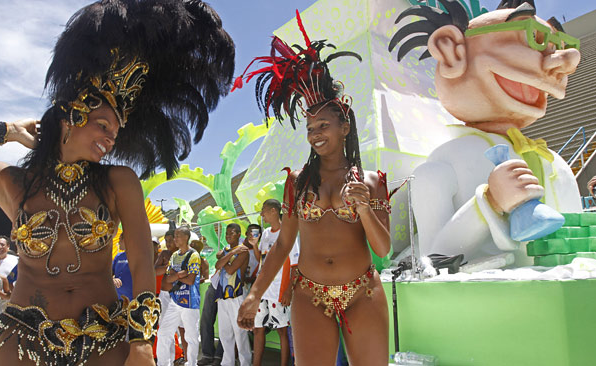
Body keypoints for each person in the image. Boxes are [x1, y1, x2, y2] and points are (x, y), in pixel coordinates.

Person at [0, 1, 235, 365]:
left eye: (116, 131)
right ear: (71, 115)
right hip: (21, 341)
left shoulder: (119, 181)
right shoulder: (14, 182)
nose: (111, 138)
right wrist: (7, 131)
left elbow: (142, 262)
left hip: (104, 340)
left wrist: (142, 341)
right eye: (103, 125)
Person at [233, 12, 391, 365]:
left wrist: (364, 208)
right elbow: (284, 244)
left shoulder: (372, 182)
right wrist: (255, 294)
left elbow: (383, 247)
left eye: (323, 124)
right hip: (309, 295)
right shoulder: (297, 183)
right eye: (309, 127)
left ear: (344, 126)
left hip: (362, 292)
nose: (316, 133)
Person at [388, 0, 582, 266]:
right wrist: (489, 202)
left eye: (555, 46)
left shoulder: (555, 164)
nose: (566, 62)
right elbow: (434, 258)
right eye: (531, 40)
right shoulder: (442, 165)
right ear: (450, 50)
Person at [252, 200, 297, 366]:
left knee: (282, 330)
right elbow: (262, 261)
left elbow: (295, 265)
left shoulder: (288, 233)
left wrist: (288, 290)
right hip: (262, 291)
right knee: (258, 329)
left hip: (279, 291)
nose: (262, 214)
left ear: (273, 211)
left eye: (263, 210)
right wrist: (254, 246)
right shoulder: (264, 234)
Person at [157, 226, 202, 366]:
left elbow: (190, 280)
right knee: (163, 333)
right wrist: (179, 275)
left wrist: (175, 277)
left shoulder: (194, 255)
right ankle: (163, 363)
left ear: (186, 238)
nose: (175, 239)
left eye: (177, 236)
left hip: (190, 302)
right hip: (175, 301)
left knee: (191, 336)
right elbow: (166, 279)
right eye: (174, 236)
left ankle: (192, 363)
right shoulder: (175, 256)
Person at [215, 223, 251, 366]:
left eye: (232, 233)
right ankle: (227, 362)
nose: (228, 235)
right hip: (223, 296)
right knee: (225, 334)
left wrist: (224, 257)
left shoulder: (243, 251)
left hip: (237, 295)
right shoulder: (226, 251)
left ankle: (245, 363)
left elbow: (229, 270)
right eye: (227, 233)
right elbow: (218, 266)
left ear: (238, 234)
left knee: (240, 333)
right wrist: (229, 254)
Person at [112, 233, 133, 300]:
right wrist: (113, 279)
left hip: (133, 301)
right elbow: (109, 274)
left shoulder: (137, 257)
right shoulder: (118, 257)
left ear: (126, 239)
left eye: (119, 239)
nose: (118, 242)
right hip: (118, 300)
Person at [241, 224, 261, 292]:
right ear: (246, 233)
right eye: (251, 232)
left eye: (255, 233)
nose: (252, 235)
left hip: (249, 286)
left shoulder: (258, 252)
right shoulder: (237, 244)